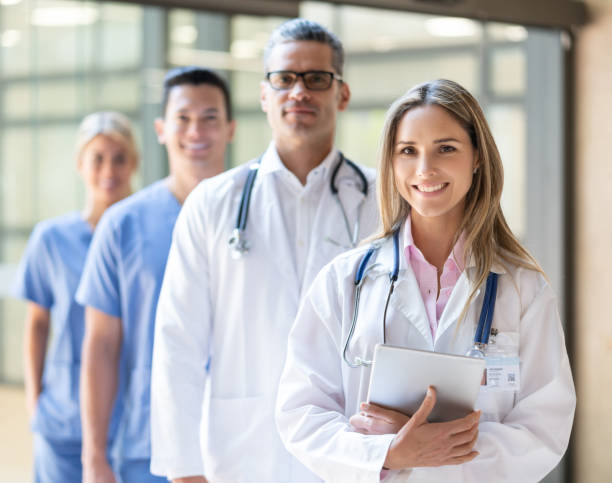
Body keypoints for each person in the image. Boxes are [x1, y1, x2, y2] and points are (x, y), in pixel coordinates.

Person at [275, 79, 576, 482]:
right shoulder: (344, 281)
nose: (425, 169)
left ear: (476, 158)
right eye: (408, 151)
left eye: (446, 148)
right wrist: (389, 454)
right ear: (391, 163)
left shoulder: (522, 288)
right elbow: (301, 414)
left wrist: (434, 450)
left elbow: (545, 426)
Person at [150, 19, 379, 483]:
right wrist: (183, 468)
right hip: (242, 453)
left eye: (317, 78)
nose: (300, 92)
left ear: (343, 94)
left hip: (351, 451)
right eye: (285, 79)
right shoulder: (214, 203)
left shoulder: (383, 201)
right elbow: (179, 343)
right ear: (264, 96)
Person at [76, 67, 235, 483]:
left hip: (240, 444)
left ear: (231, 128)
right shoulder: (122, 224)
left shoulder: (257, 216)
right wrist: (94, 458)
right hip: (146, 447)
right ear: (162, 129)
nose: (195, 130)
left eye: (210, 117)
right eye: (182, 118)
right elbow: (101, 346)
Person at [13, 111, 139, 483]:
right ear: (79, 165)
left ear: (134, 163)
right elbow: (37, 324)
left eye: (119, 158)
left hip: (132, 420)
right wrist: (35, 402)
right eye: (97, 158)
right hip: (63, 421)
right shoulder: (51, 239)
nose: (108, 170)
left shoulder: (147, 237)